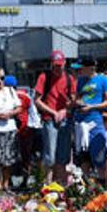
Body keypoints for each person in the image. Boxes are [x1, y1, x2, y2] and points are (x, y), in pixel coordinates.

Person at [34, 50, 76, 185]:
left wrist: (65, 109)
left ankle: (60, 187)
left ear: (64, 63)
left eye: (60, 65)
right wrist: (53, 112)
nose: (58, 68)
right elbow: (37, 100)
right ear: (51, 64)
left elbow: (73, 100)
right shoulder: (44, 77)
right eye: (55, 65)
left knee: (62, 157)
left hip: (65, 119)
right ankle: (47, 185)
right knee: (50, 156)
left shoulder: (70, 79)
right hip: (49, 119)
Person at [72, 56, 107, 179]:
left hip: (95, 122)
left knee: (100, 156)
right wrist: (77, 102)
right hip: (80, 123)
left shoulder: (103, 80)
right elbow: (77, 98)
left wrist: (91, 107)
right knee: (84, 158)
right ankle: (86, 187)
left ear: (90, 68)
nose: (78, 71)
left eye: (81, 68)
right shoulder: (80, 80)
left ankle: (105, 186)